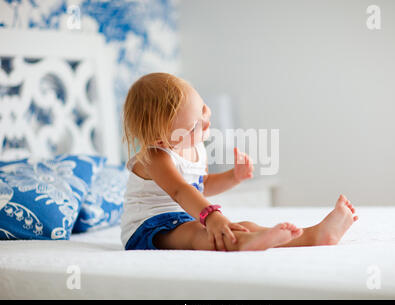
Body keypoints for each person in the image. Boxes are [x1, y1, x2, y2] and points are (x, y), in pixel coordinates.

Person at [121, 72, 358, 251]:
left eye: (203, 108)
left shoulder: (195, 147)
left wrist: (233, 176)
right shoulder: (154, 157)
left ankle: (313, 235)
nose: (205, 120)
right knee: (199, 232)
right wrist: (211, 216)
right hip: (150, 228)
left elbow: (201, 186)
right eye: (195, 125)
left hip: (186, 217)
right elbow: (180, 190)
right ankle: (243, 245)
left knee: (243, 225)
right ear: (162, 140)